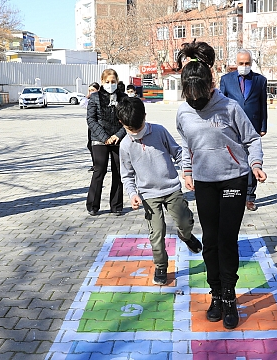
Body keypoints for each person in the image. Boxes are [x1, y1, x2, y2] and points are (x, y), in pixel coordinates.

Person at [175, 41, 267, 329]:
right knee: (210, 242)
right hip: (204, 184)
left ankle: (229, 294)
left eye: (198, 95)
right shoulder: (183, 112)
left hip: (233, 180)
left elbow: (252, 139)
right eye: (189, 96)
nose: (195, 101)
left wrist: (255, 164)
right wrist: (187, 170)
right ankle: (215, 292)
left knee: (227, 240)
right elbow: (184, 143)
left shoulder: (229, 107)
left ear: (209, 85)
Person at [117, 97, 203, 285]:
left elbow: (178, 153)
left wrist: (186, 172)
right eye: (132, 130)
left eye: (139, 128)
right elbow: (127, 175)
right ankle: (161, 266)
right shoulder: (125, 145)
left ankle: (186, 235)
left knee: (185, 220)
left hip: (171, 188)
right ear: (122, 124)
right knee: (156, 233)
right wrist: (132, 194)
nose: (137, 133)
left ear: (145, 117)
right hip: (148, 196)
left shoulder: (159, 131)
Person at [220, 49, 268, 212]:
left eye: (247, 63)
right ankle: (232, 194)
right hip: (231, 128)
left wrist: (263, 127)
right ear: (236, 63)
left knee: (252, 163)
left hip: (252, 127)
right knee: (232, 162)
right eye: (241, 63)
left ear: (251, 63)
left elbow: (263, 104)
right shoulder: (226, 80)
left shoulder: (260, 80)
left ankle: (249, 197)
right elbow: (221, 104)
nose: (244, 66)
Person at [86, 69, 127, 216]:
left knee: (118, 171)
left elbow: (127, 119)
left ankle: (116, 205)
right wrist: (104, 137)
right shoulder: (95, 97)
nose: (110, 84)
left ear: (117, 81)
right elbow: (91, 120)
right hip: (99, 139)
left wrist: (118, 135)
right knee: (99, 170)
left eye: (113, 82)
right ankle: (92, 205)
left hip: (118, 138)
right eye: (107, 82)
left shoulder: (123, 98)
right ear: (102, 82)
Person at [82, 82, 100, 172]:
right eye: (89, 90)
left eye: (93, 90)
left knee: (97, 146)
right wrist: (88, 95)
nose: (91, 92)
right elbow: (82, 104)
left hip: (99, 126)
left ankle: (98, 165)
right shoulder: (91, 100)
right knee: (90, 145)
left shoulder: (99, 99)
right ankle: (95, 164)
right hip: (91, 126)